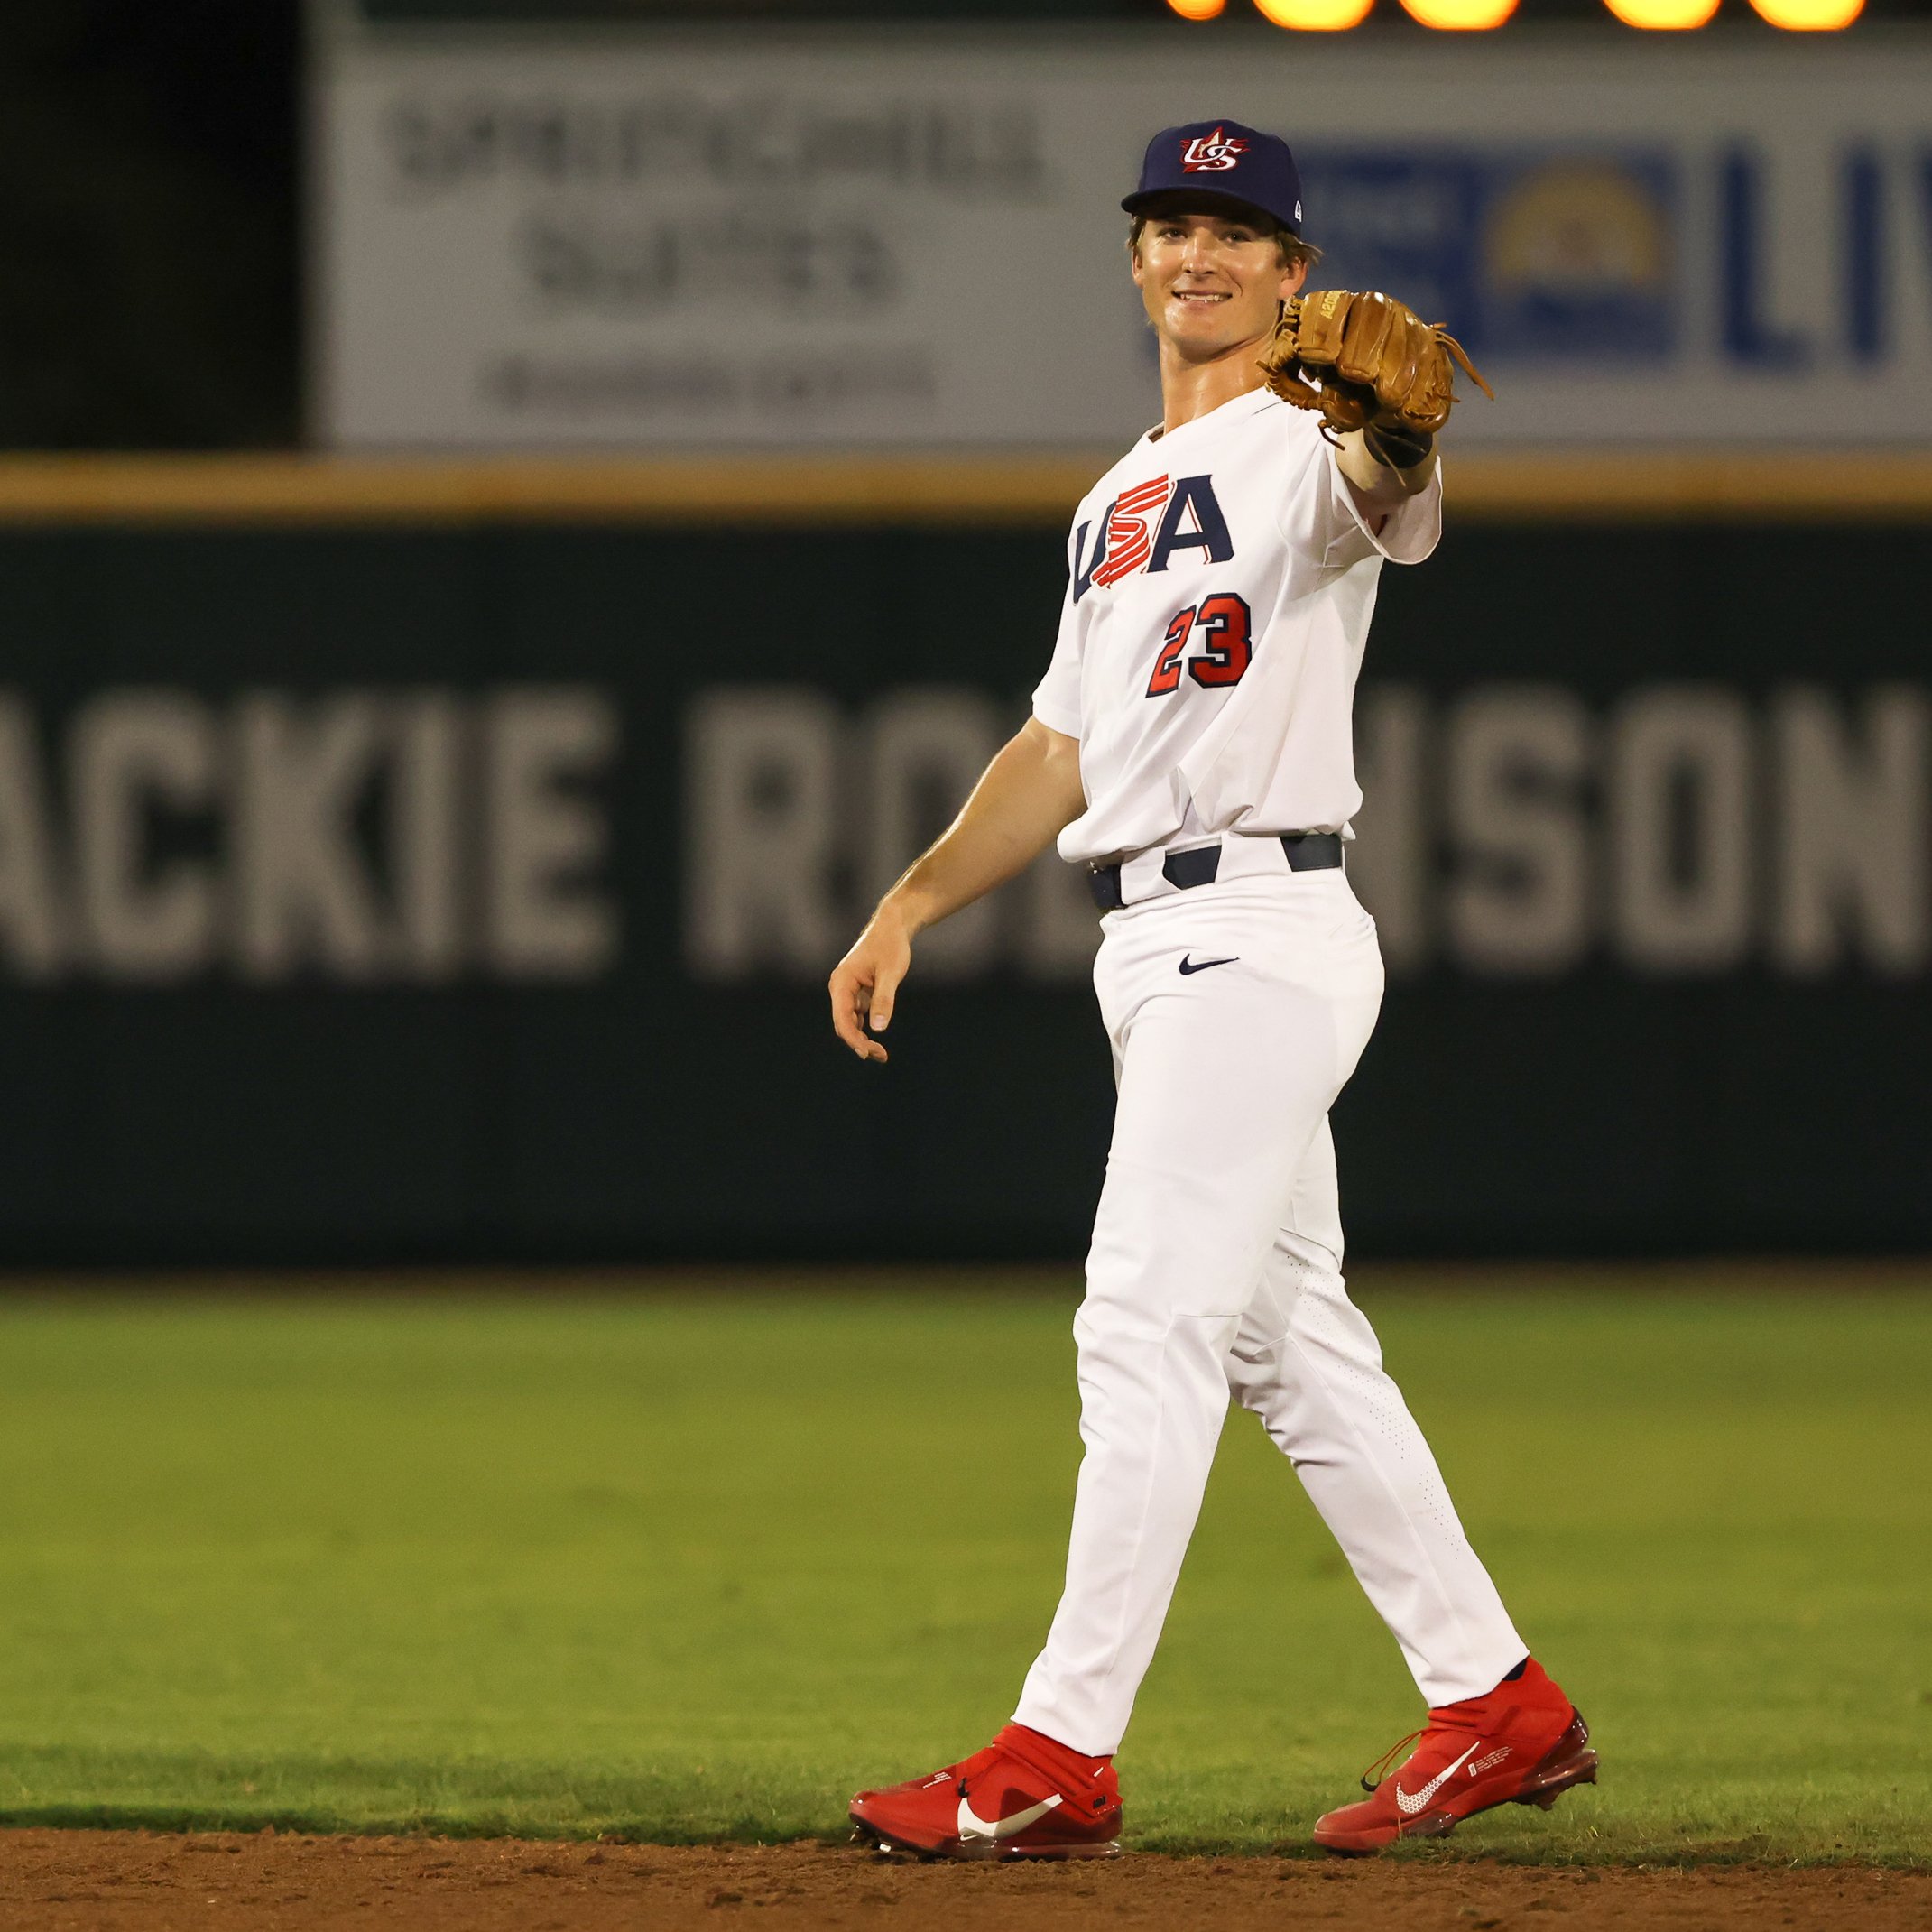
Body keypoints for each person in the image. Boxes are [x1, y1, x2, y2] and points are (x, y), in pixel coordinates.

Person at [826, 119, 1596, 1861]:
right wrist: (912, 899)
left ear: (1291, 274)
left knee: (1140, 1321)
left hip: (1258, 927)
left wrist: (1392, 429)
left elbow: (1388, 492)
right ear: (1133, 257)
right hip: (1154, 942)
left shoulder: (1311, 436)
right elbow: (1060, 747)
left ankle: (1055, 1754)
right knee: (1284, 1340)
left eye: (1237, 232)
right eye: (1172, 223)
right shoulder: (1109, 500)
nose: (1199, 253)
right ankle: (1495, 1699)